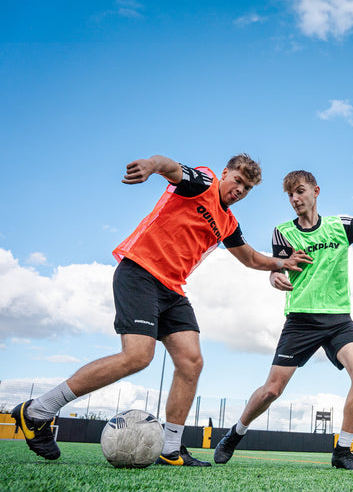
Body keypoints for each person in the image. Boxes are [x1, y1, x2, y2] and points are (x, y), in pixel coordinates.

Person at [12, 154, 311, 466]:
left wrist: (282, 263)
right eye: (238, 180)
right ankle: (37, 411)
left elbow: (250, 258)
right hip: (139, 272)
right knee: (137, 357)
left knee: (191, 362)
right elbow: (171, 168)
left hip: (172, 289)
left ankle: (170, 448)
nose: (240, 190)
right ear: (225, 173)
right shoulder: (203, 182)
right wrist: (152, 166)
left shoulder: (228, 223)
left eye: (247, 188)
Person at [214, 170, 353, 470]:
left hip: (338, 319)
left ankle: (342, 451)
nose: (295, 199)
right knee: (272, 390)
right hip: (301, 320)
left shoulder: (341, 226)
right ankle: (236, 433)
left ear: (316, 191)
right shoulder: (284, 231)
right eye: (290, 195)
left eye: (300, 191)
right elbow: (277, 267)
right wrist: (274, 277)